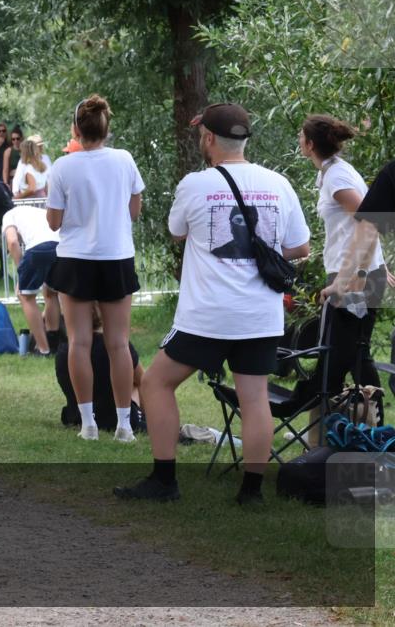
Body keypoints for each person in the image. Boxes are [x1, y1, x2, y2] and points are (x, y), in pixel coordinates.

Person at [116, 103, 310, 504]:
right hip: (260, 314)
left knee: (155, 382)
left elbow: (176, 231)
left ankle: (164, 480)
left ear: (207, 138)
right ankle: (251, 492)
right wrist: (262, 253)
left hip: (206, 315)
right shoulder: (279, 183)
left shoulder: (196, 184)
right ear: (244, 139)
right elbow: (300, 246)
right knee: (254, 397)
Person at [46, 95, 145, 442]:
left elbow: (54, 222)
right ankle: (123, 425)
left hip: (75, 259)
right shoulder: (124, 160)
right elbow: (134, 211)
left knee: (79, 342)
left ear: (76, 130)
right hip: (116, 256)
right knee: (119, 344)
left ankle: (88, 423)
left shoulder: (62, 166)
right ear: (107, 128)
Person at [297, 114, 386, 398]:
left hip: (352, 276)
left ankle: (372, 429)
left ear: (310, 144)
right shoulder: (332, 171)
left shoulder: (336, 177)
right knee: (350, 353)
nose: (299, 140)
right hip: (355, 271)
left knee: (347, 355)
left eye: (301, 136)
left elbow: (370, 218)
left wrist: (366, 271)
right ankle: (340, 426)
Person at [57, 303, 144, 431]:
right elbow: (143, 380)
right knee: (136, 384)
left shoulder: (64, 351)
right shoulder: (118, 349)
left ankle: (88, 416)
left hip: (76, 416)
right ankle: (141, 417)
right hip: (113, 417)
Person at [322, 158, 395, 300]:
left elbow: (369, 226)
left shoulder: (337, 177)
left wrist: (360, 272)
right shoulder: (391, 173)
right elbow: (370, 225)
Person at [2, 205, 61, 356]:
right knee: (51, 293)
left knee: (26, 297)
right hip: (61, 245)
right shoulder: (33, 212)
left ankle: (43, 349)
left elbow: (13, 242)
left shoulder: (9, 215)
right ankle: (54, 343)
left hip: (38, 247)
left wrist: (21, 270)